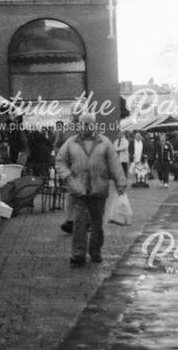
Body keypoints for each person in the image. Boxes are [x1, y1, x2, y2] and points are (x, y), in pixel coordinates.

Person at [55, 113, 128, 266]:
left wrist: (120, 184)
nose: (85, 127)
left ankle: (95, 251)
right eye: (82, 124)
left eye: (88, 124)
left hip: (99, 190)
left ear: (94, 125)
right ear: (79, 125)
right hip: (78, 190)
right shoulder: (71, 142)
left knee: (97, 225)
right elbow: (60, 162)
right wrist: (69, 178)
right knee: (79, 223)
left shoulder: (105, 142)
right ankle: (78, 255)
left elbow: (114, 164)